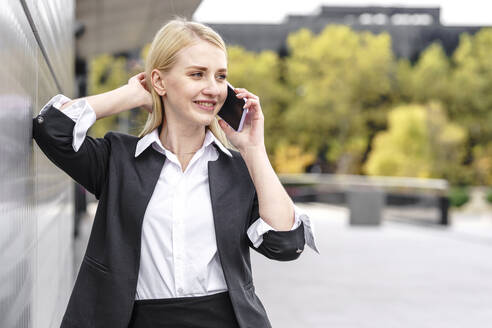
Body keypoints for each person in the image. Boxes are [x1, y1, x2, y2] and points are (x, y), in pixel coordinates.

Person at [32, 18, 318, 328]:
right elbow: (52, 129)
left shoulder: (239, 169)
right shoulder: (118, 160)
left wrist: (253, 149)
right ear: (159, 81)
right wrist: (128, 97)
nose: (213, 88)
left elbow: (286, 244)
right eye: (197, 74)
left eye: (221, 76)